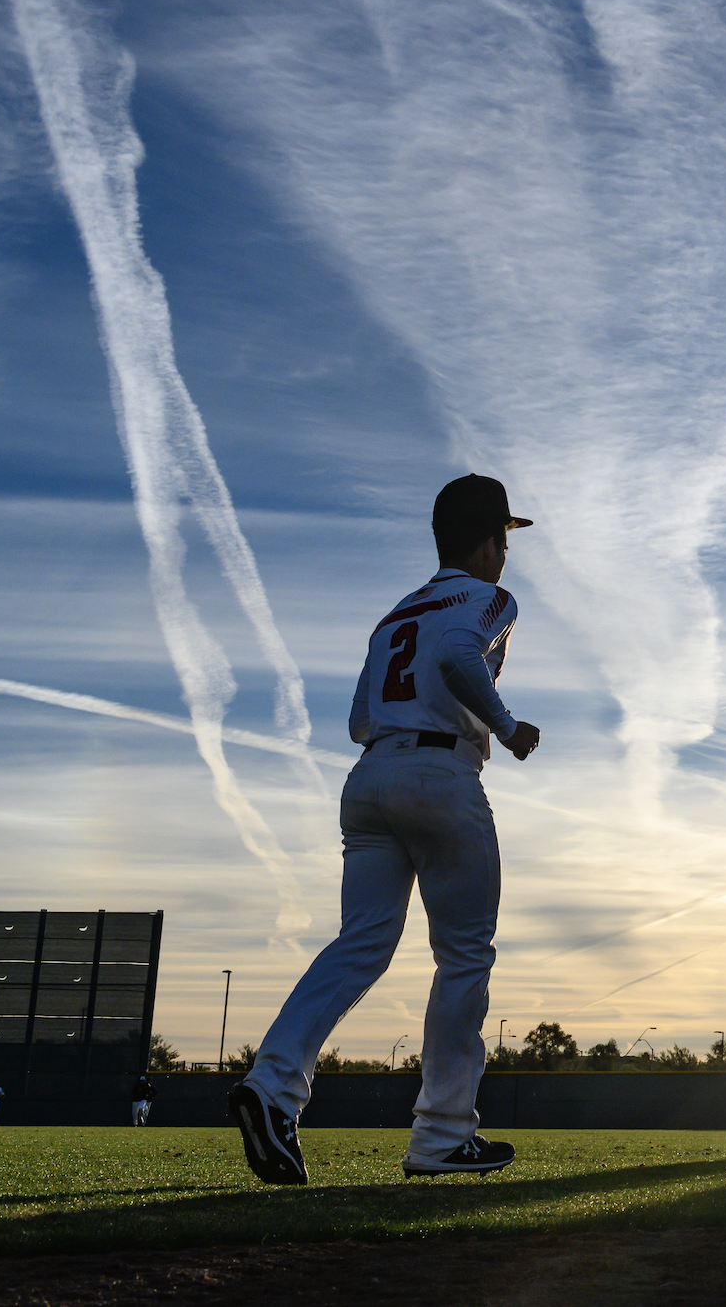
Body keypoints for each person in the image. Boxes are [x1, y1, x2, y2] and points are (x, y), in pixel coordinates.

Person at [232, 475, 542, 1186]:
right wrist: (505, 725)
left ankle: (273, 1084)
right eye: (503, 538)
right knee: (464, 956)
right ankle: (441, 1134)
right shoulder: (490, 597)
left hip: (370, 778)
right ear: (488, 539)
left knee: (360, 945)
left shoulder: (393, 615)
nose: (505, 553)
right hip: (441, 775)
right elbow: (459, 656)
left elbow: (357, 722)